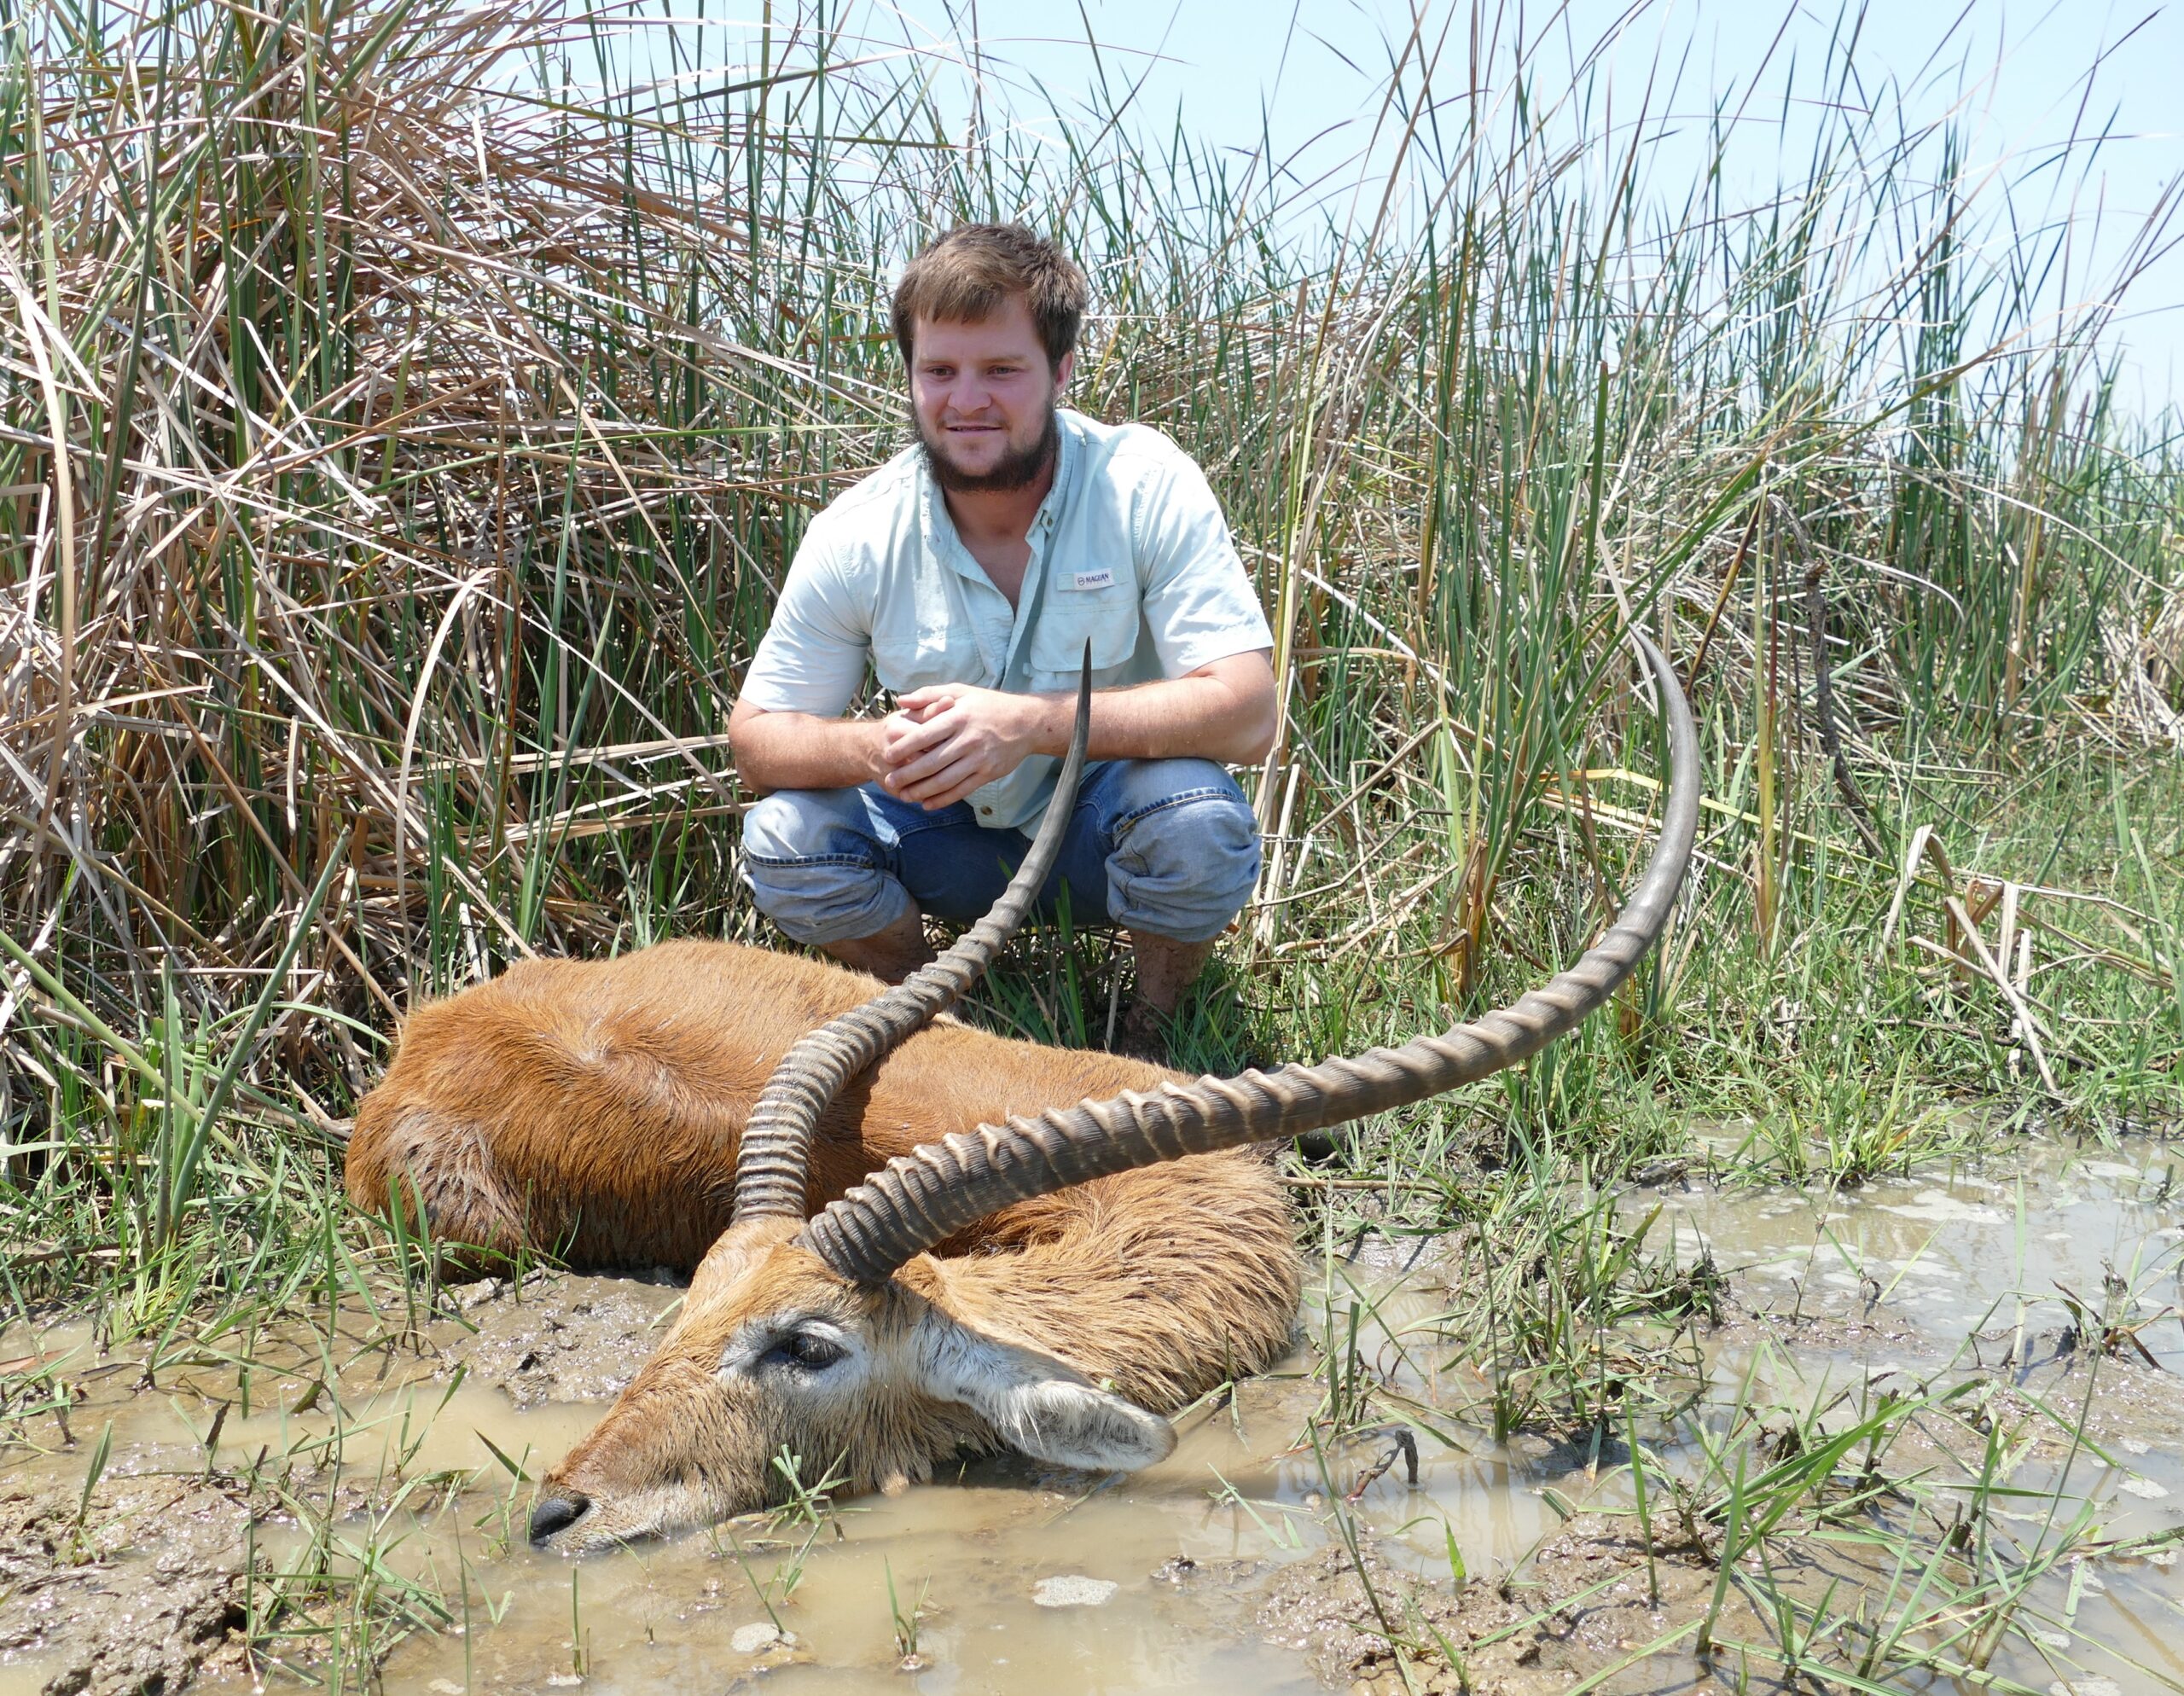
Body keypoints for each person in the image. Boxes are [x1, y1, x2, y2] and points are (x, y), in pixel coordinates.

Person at [729, 223, 1276, 1056]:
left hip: (1104, 827)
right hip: (942, 832)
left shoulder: (1142, 481)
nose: (966, 400)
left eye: (1001, 371)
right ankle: (940, 1023)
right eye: (939, 371)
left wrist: (1025, 724)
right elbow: (758, 738)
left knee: (1198, 823)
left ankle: (1152, 1031)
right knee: (786, 839)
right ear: (910, 376)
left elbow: (1246, 713)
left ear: (1059, 370)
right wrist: (884, 747)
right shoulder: (859, 529)